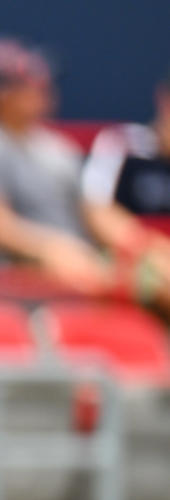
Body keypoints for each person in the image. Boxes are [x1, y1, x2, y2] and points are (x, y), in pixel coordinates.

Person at [0, 36, 132, 294]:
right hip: (19, 276)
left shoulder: (57, 146)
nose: (42, 86)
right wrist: (51, 249)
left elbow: (94, 210)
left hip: (81, 262)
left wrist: (138, 243)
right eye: (26, 81)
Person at [82, 67, 170, 315]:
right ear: (163, 99)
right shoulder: (123, 142)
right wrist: (151, 249)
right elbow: (97, 213)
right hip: (133, 260)